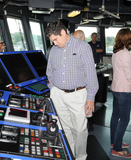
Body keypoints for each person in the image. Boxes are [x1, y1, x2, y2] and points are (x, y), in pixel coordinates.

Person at [45, 21, 99, 160]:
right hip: (57, 94)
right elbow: (49, 72)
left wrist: (90, 97)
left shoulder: (83, 47)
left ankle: (80, 157)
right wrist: (53, 89)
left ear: (63, 32)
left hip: (77, 94)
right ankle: (70, 155)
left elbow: (91, 74)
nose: (55, 43)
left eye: (55, 39)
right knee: (64, 127)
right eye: (52, 41)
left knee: (80, 130)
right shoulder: (54, 50)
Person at [110, 28, 131, 158]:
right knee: (125, 119)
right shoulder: (126, 54)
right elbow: (129, 74)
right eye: (130, 37)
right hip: (123, 90)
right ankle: (116, 149)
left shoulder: (116, 52)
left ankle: (114, 142)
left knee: (115, 116)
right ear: (127, 38)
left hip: (116, 88)